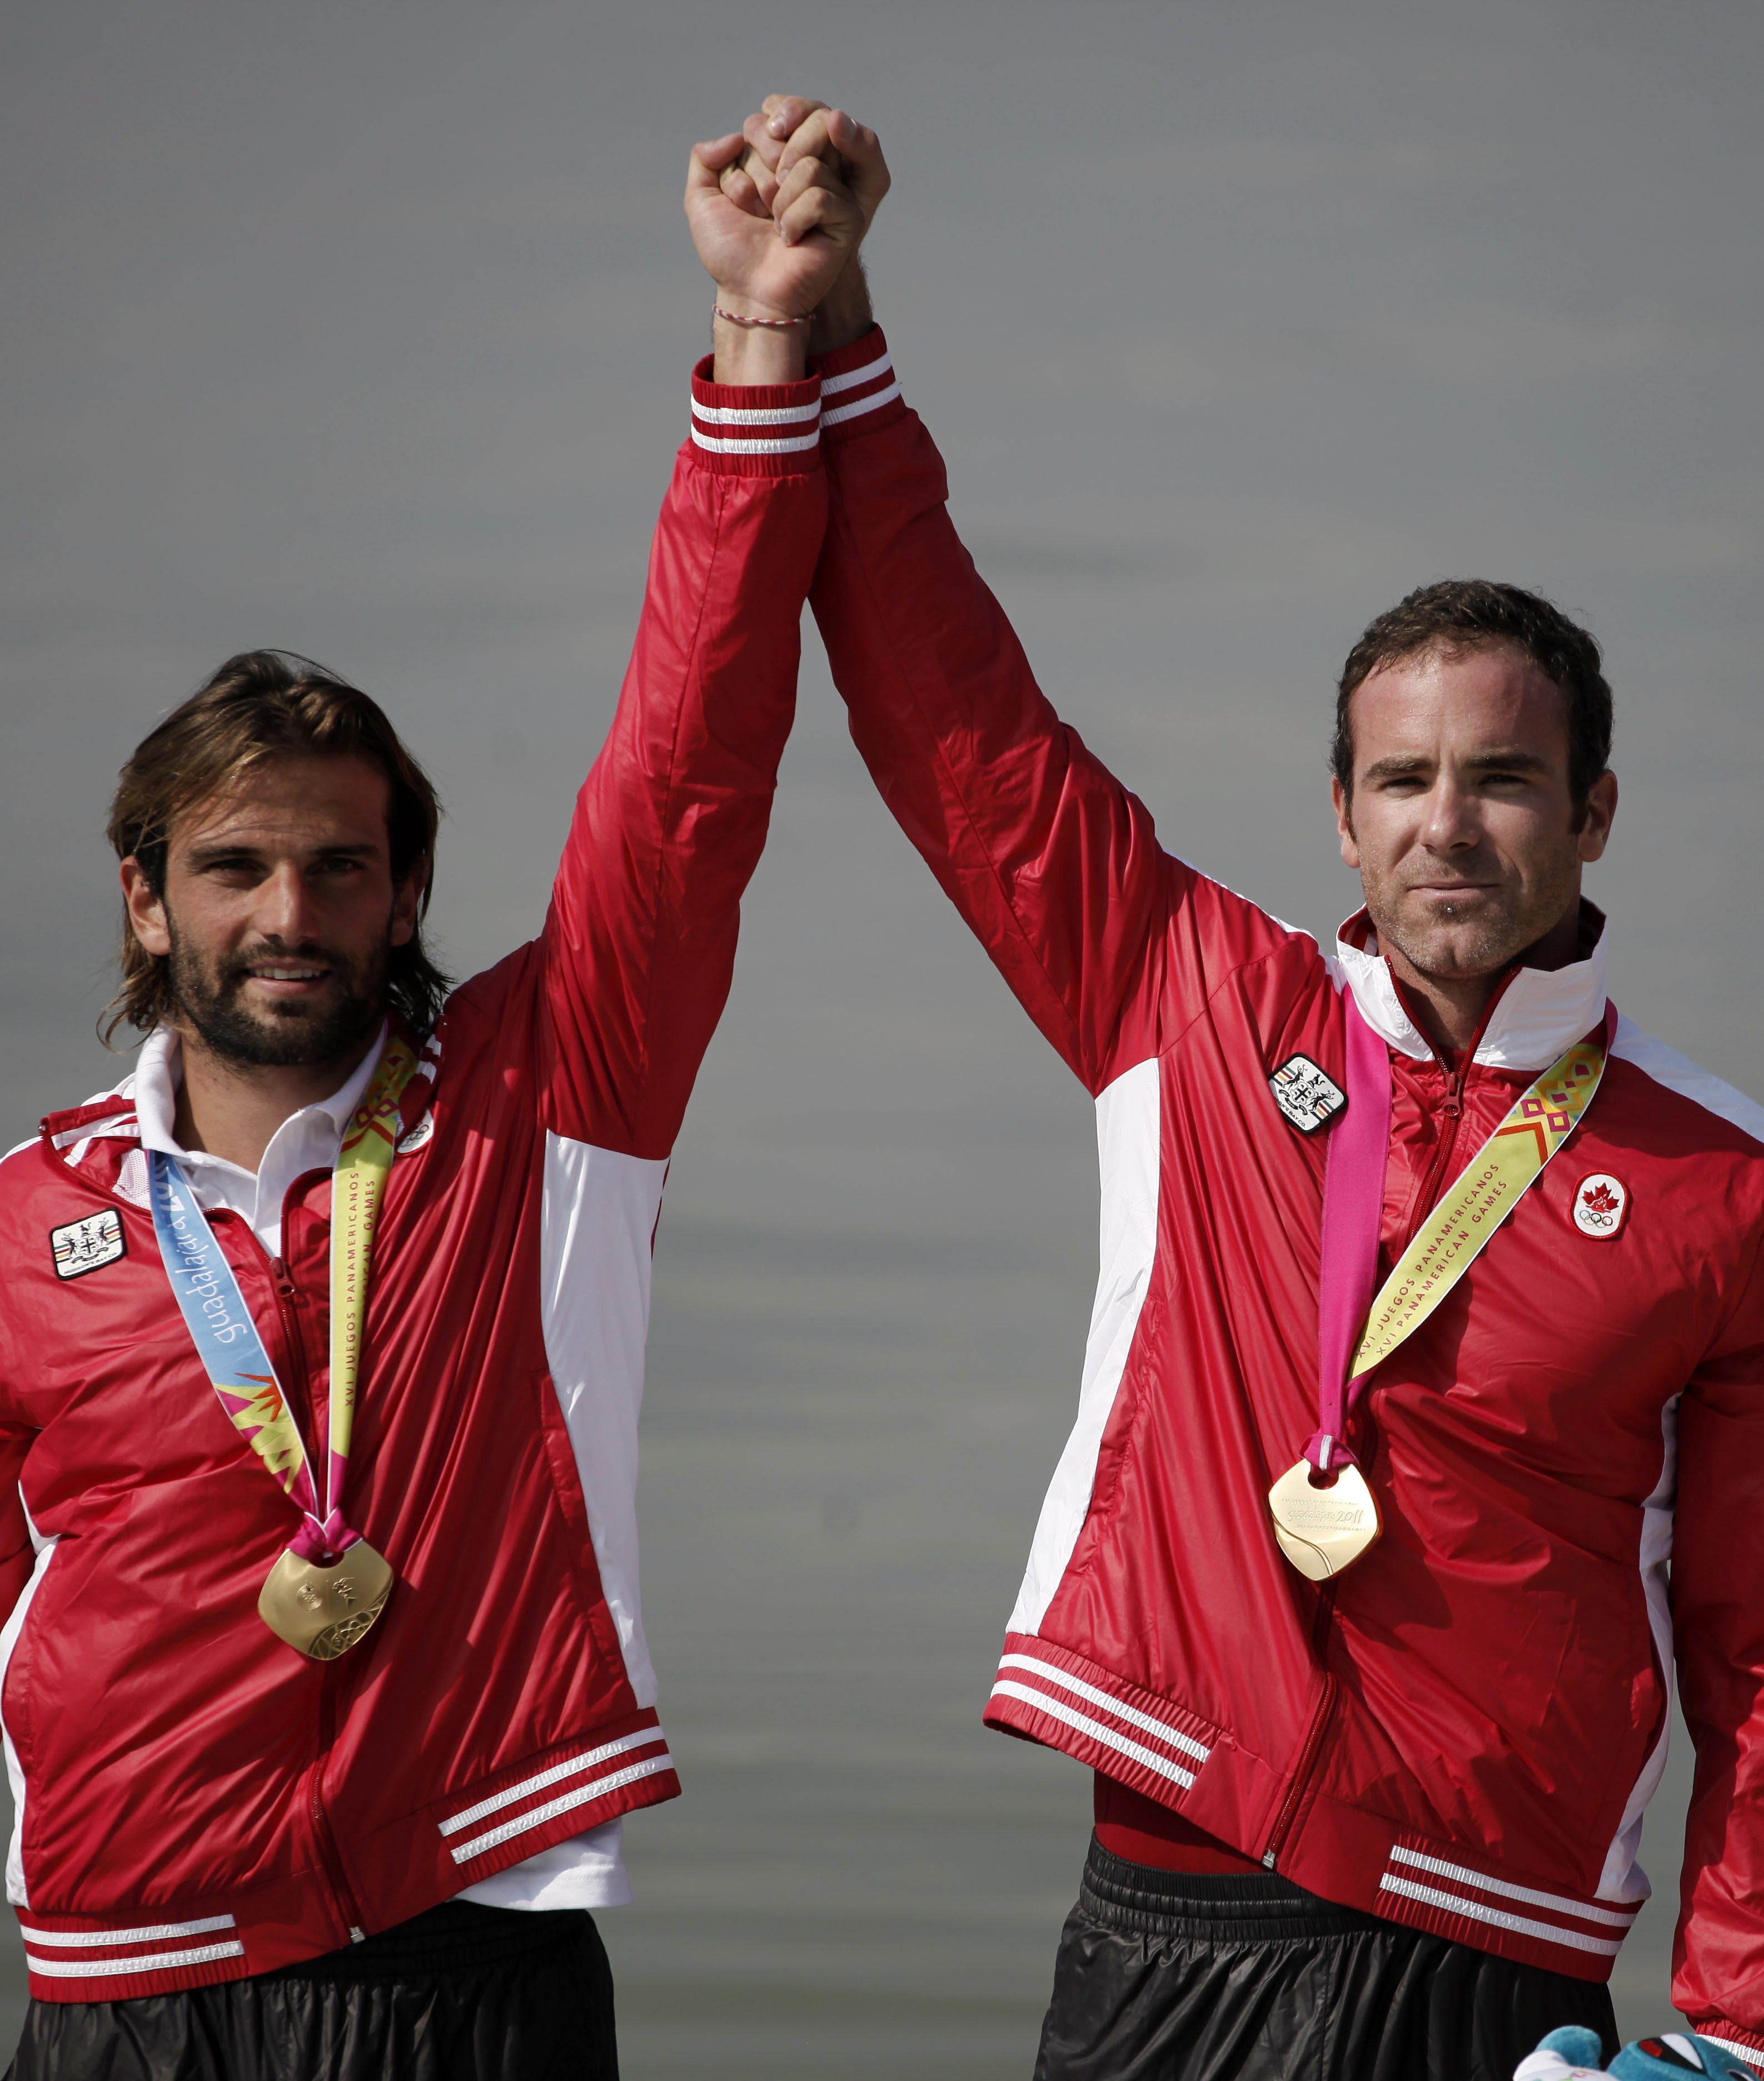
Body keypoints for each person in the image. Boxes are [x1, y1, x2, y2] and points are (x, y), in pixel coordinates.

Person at [729, 96, 1764, 2081]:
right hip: (1161, 1900)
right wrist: (825, 330)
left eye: (1505, 778)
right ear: (1342, 815)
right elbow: (954, 709)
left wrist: (1733, 2037)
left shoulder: (1719, 1184)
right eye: (1403, 781)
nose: (1448, 826)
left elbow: (1762, 1656)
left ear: (1595, 813)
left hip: (1493, 1950)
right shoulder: (1190, 994)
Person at [0, 121, 869, 2081]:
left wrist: (756, 338)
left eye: (337, 867)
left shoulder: (550, 1098)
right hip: (120, 1981)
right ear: (145, 894)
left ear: (406, 892)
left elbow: (692, 766)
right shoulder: (17, 1220)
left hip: (467, 1952)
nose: (289, 914)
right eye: (233, 868)